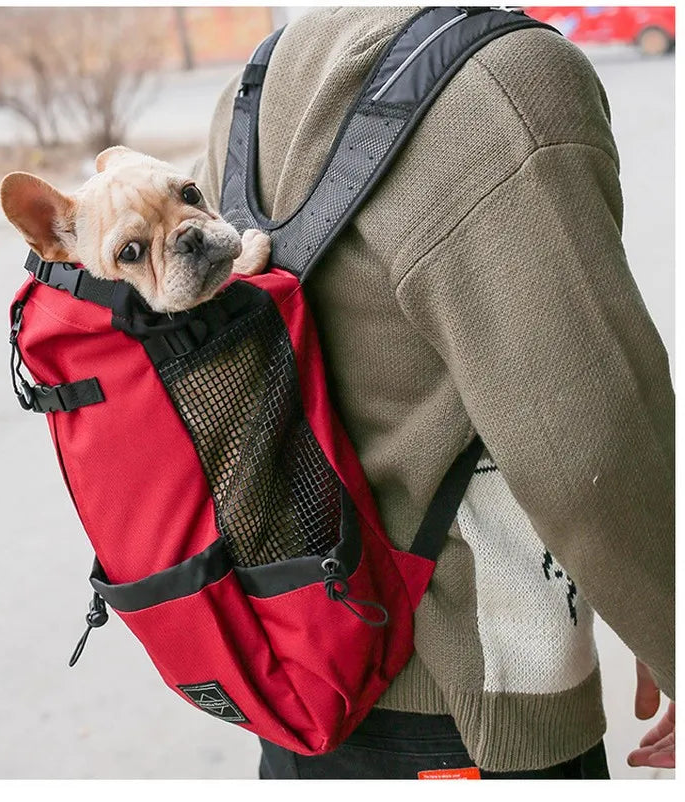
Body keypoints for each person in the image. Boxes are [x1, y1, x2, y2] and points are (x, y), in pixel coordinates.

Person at [193, 6, 674, 779]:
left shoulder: (258, 79)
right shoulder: (506, 77)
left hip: (303, 679)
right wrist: (668, 628)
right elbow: (588, 445)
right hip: (471, 696)